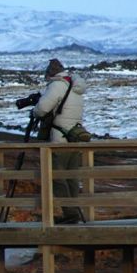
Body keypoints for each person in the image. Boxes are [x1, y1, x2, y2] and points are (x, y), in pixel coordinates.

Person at [33, 58, 87, 224]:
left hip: (60, 138)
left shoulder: (57, 85)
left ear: (51, 73)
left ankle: (70, 214)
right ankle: (75, 212)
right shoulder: (75, 86)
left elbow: (42, 109)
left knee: (57, 176)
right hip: (73, 136)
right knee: (71, 177)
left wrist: (35, 111)